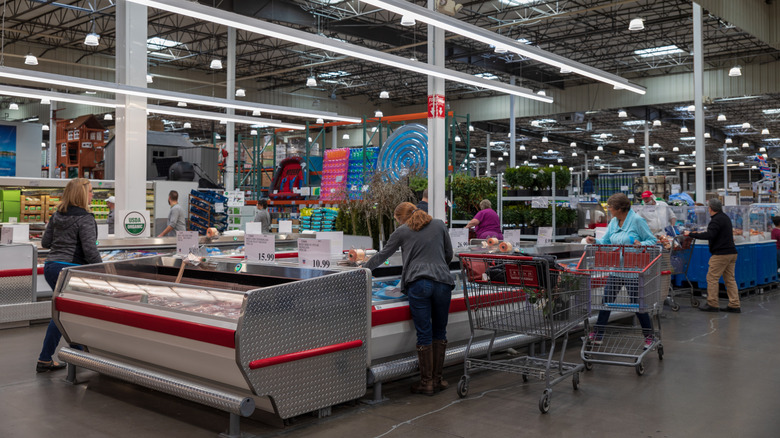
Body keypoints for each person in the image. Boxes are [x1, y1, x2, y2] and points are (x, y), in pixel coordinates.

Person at [363, 202, 454, 395]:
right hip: (443, 282)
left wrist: (361, 270)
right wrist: (438, 268)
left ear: (401, 218)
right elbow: (449, 254)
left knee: (424, 333)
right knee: (440, 331)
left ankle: (426, 383)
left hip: (419, 284)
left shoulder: (402, 231)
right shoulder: (439, 224)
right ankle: (438, 380)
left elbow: (382, 256)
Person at [37, 178, 102, 373]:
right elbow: (90, 250)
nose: (92, 195)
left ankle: (77, 352)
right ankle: (45, 358)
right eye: (90, 191)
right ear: (82, 194)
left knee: (67, 311)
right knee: (62, 314)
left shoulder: (57, 215)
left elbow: (46, 242)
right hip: (70, 270)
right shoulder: (85, 218)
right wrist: (103, 271)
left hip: (51, 267)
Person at [585, 193, 658, 345]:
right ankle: (598, 334)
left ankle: (649, 336)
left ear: (620, 208)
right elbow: (606, 241)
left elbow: (652, 240)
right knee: (606, 302)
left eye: (611, 207)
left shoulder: (637, 221)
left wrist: (641, 245)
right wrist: (595, 241)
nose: (609, 209)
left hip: (634, 271)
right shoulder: (613, 222)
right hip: (616, 270)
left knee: (638, 305)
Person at [684, 198, 740, 313]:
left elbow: (710, 235)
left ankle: (712, 303)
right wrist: (698, 233)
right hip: (732, 252)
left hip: (721, 254)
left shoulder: (716, 220)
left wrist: (691, 234)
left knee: (712, 278)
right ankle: (734, 304)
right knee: (730, 279)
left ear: (710, 208)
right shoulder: (725, 218)